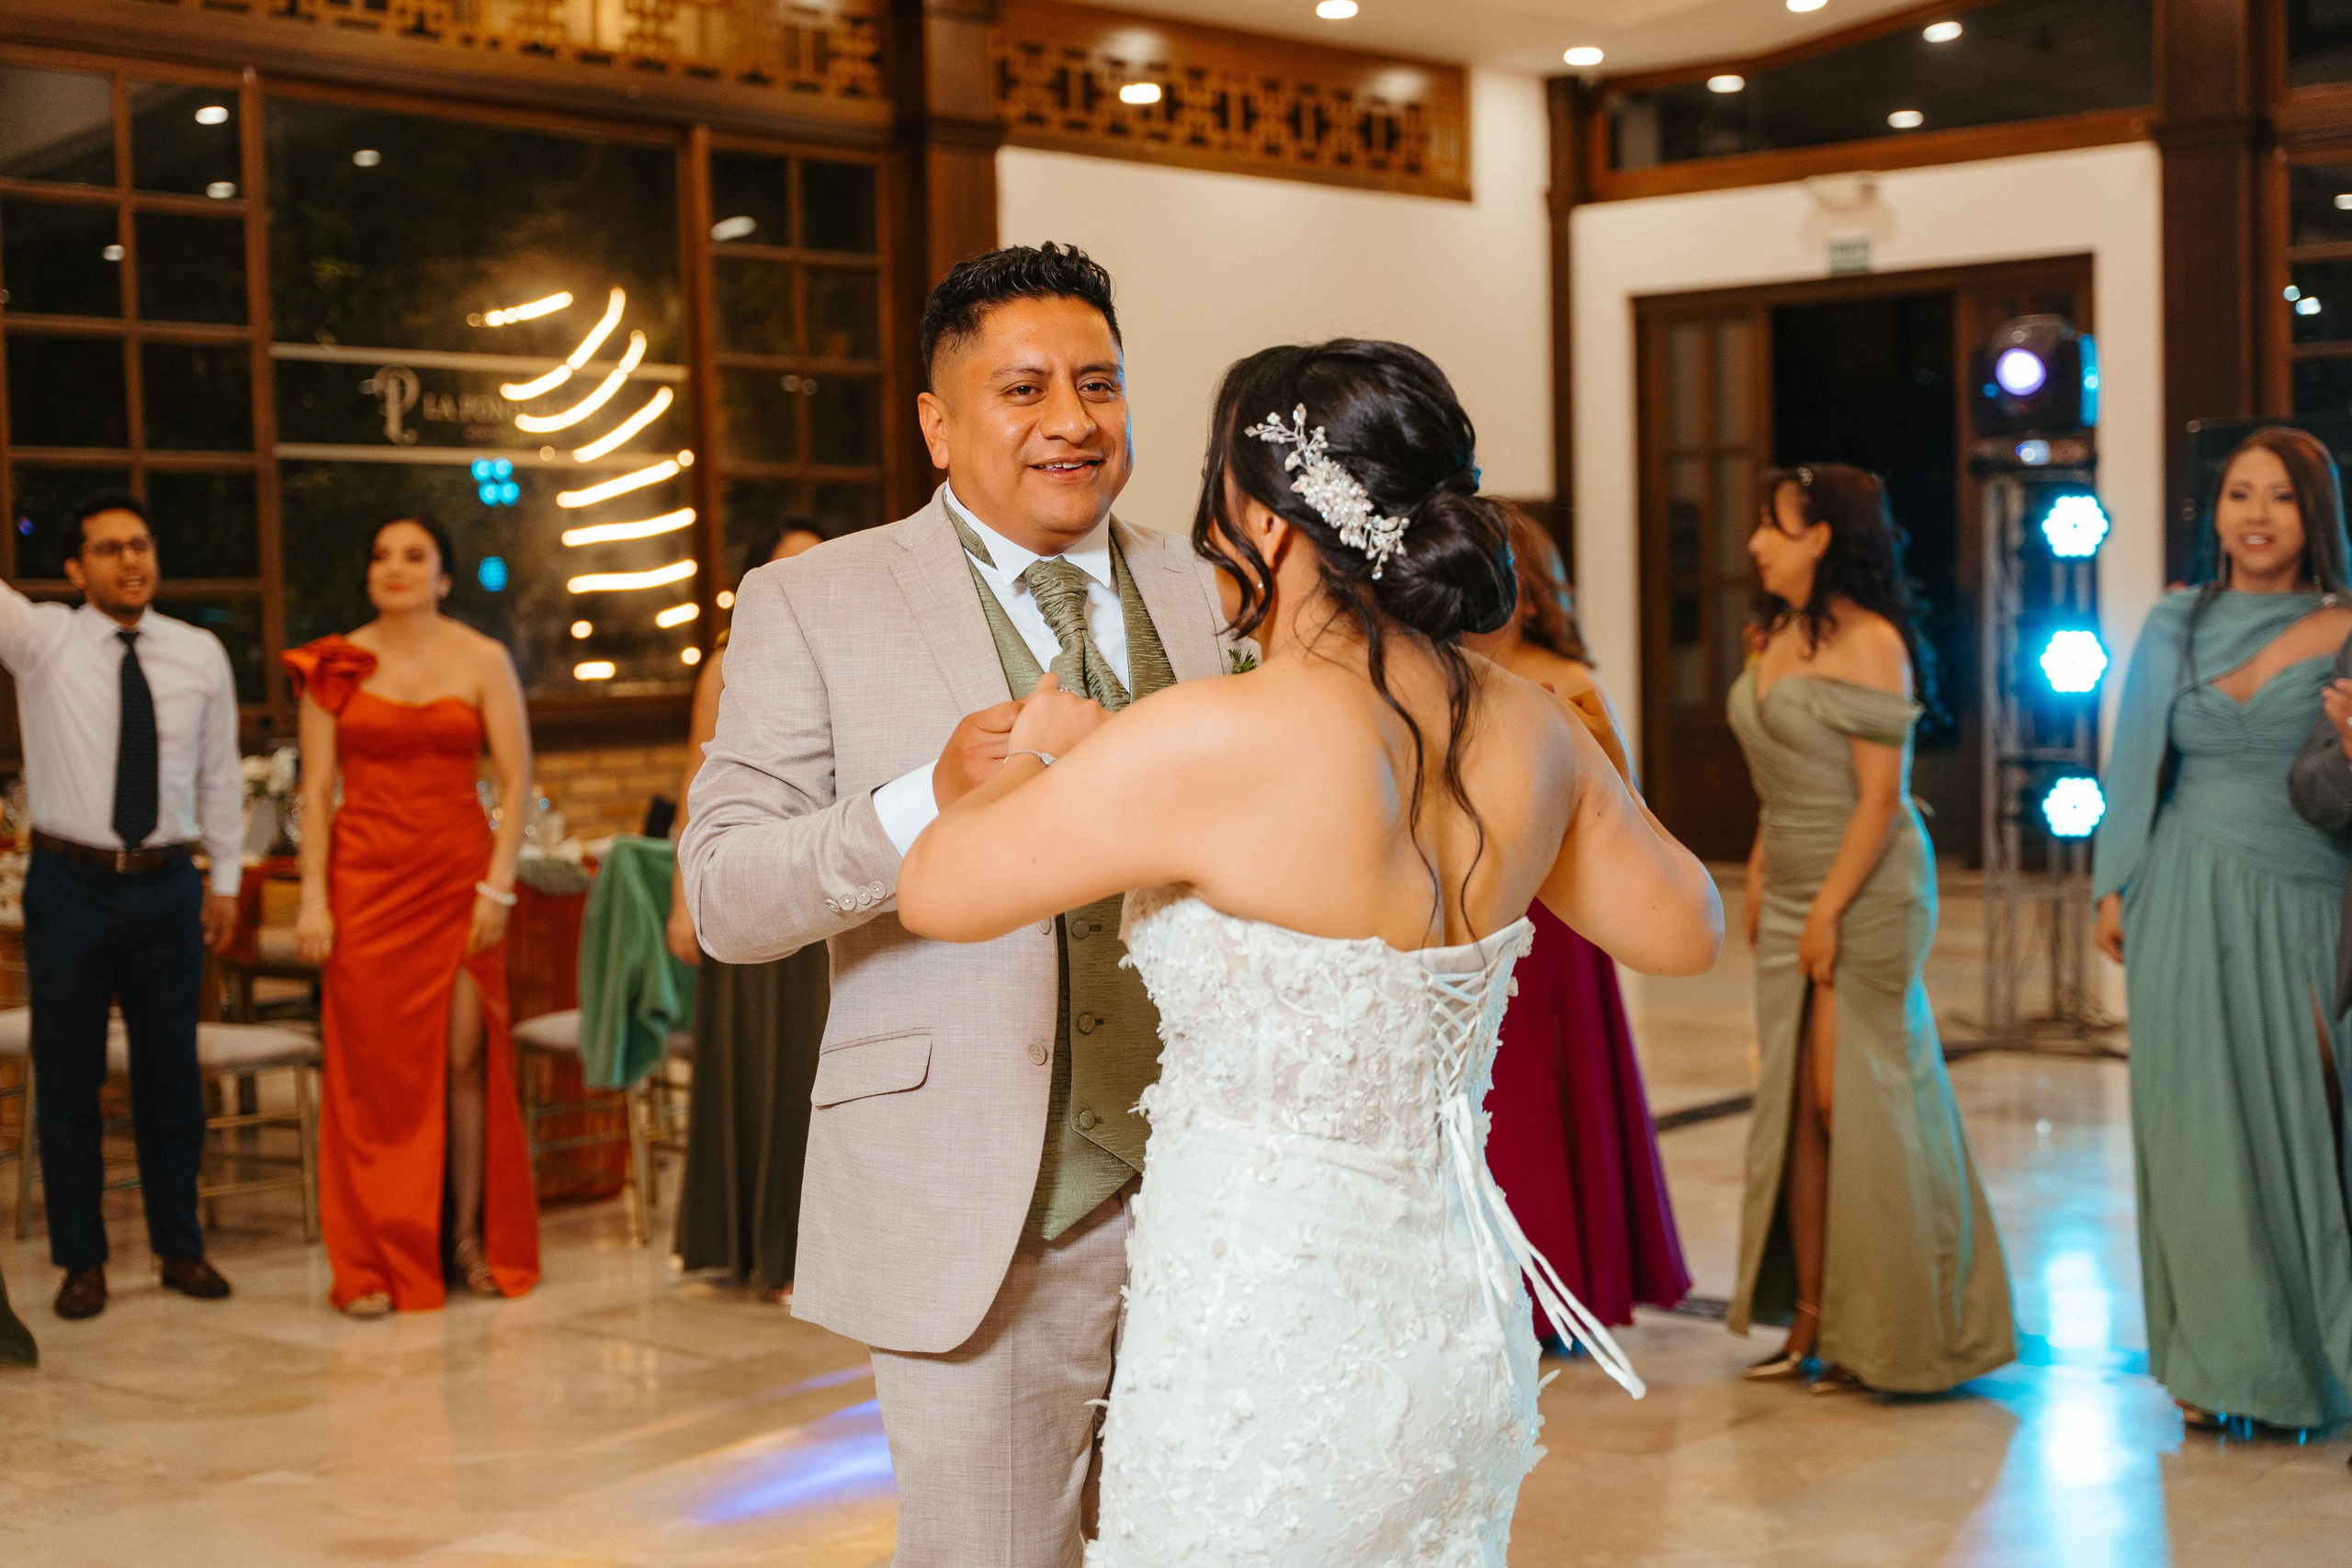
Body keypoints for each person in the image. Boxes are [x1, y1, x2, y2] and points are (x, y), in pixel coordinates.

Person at [895, 339, 1724, 1560]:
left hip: (1262, 1341)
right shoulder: (1535, 725)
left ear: (1263, 517)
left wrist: (1044, 747)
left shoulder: (1209, 737)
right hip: (1450, 1315)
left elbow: (934, 888)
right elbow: (1687, 926)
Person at [678, 244, 1229, 1567]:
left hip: (1222, 1194)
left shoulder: (1212, 590)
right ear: (938, 421)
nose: (1073, 422)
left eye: (1099, 384)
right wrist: (921, 797)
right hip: (983, 1199)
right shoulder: (814, 600)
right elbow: (724, 889)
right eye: (1024, 388)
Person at [1725, 463, 2012, 1393]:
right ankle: (1810, 1322)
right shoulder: (1770, 635)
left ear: (1821, 537)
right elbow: (1777, 773)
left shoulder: (1873, 642)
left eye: (1773, 525)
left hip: (1869, 887)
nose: (1756, 543)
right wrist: (1765, 868)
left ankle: (1908, 1324)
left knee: (1849, 1098)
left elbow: (1881, 802)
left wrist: (1828, 911)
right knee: (1795, 1115)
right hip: (1796, 875)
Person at [2096, 425, 2352, 1432]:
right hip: (2180, 887)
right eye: (2239, 494)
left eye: (2279, 497)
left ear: (2313, 513)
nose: (2254, 515)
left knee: (2302, 1126)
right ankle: (2217, 1370)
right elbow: (2130, 758)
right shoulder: (2175, 619)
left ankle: (2303, 1366)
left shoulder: (2345, 624)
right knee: (2194, 1130)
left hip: (2305, 891)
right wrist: (2112, 885)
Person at [286, 513, 540, 1318]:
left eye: (414, 555)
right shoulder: (336, 663)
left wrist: (499, 887)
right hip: (364, 888)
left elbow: (516, 775)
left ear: (444, 575)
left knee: (465, 1062)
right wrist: (315, 897)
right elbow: (314, 793)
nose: (394, 567)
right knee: (370, 1080)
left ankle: (463, 1238)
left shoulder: (482, 658)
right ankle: (369, 1257)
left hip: (460, 881)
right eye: (380, 554)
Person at [0, 492, 240, 1322]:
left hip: (170, 884)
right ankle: (81, 1260)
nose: (130, 561)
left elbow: (220, 774)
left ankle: (181, 1246)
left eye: (140, 545)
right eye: (108, 549)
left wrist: (229, 879)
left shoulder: (199, 651)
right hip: (69, 885)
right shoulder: (42, 641)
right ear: (75, 568)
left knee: (170, 1077)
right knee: (68, 1079)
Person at [1464, 512, 1691, 1335]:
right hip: (1472, 895)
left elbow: (1621, 802)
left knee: (1543, 1095)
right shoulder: (1446, 670)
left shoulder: (1568, 680)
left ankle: (1559, 1281)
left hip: (1554, 920)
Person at [665, 516, 829, 1301]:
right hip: (748, 883)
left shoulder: (855, 649)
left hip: (833, 885)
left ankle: (806, 1251)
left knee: (807, 1068)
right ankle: (745, 1246)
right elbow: (698, 804)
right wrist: (683, 903)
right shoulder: (726, 667)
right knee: (754, 1066)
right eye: (785, 567)